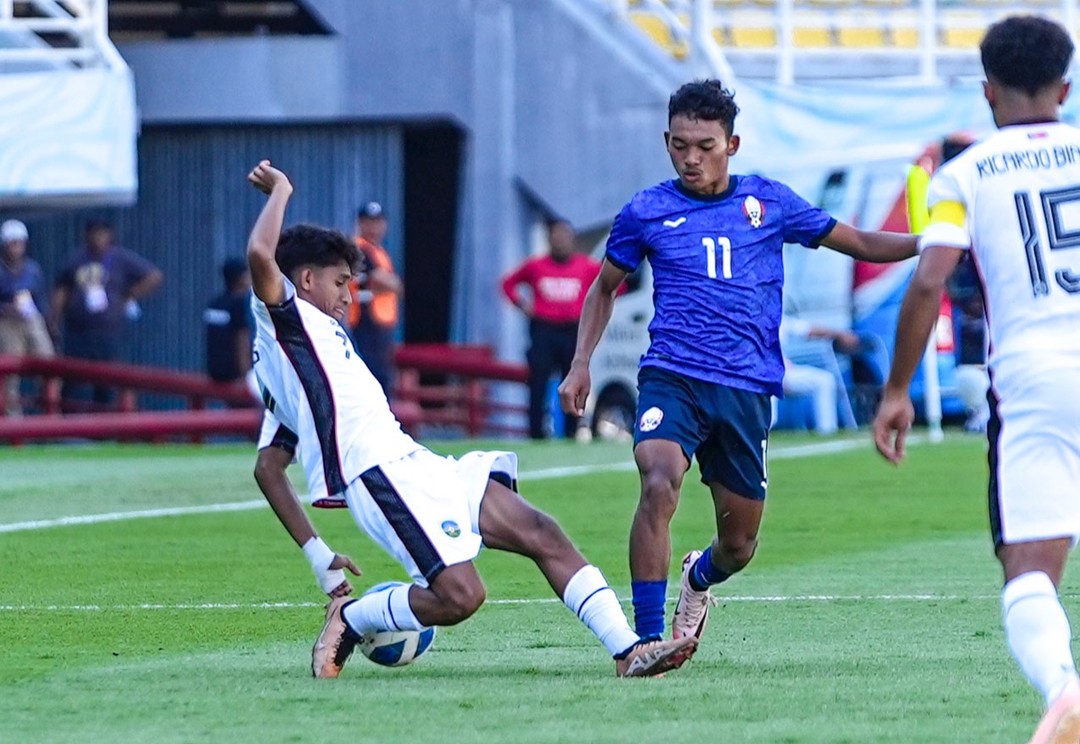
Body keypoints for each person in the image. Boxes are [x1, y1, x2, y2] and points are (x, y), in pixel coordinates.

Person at [243, 159, 697, 680]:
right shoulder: (285, 319)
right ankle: (353, 616)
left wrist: (319, 555)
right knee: (462, 596)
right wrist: (281, 190)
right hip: (377, 472)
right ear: (304, 279)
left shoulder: (302, 348)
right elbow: (261, 254)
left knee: (541, 530)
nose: (351, 295)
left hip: (415, 461)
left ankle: (628, 650)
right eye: (342, 282)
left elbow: (268, 467)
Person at [558, 79, 917, 647]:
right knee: (657, 480)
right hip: (672, 375)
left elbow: (863, 243)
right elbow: (604, 289)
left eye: (705, 146)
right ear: (666, 141)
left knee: (739, 546)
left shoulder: (769, 203)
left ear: (733, 143)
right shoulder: (646, 210)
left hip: (746, 387)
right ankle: (646, 643)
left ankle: (699, 579)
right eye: (679, 145)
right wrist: (581, 364)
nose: (691, 158)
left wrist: (931, 242)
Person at [872, 17, 1080, 744]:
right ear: (1066, 85)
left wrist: (897, 391)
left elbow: (930, 279)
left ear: (987, 91)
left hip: (1035, 378)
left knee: (1029, 571)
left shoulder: (965, 174)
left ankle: (1064, 690)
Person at [502, 219, 602, 439]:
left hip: (573, 330)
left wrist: (593, 310)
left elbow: (611, 286)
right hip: (543, 329)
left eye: (564, 236)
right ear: (549, 239)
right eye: (556, 236)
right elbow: (507, 284)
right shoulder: (536, 266)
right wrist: (523, 305)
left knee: (573, 380)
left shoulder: (586, 266)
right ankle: (536, 433)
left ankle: (571, 431)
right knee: (538, 382)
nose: (560, 241)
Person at [50, 220, 163, 408]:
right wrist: (53, 320)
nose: (98, 238)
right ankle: (67, 425)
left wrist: (129, 294)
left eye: (102, 234)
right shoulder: (75, 260)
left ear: (110, 235)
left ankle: (102, 427)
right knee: (72, 380)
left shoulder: (120, 258)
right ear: (86, 236)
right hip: (78, 331)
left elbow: (154, 276)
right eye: (94, 233)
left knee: (106, 381)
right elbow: (62, 290)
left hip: (108, 331)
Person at [0, 219, 55, 416]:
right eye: (12, 243)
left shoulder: (32, 269)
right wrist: (5, 308)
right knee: (10, 375)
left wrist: (49, 324)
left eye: (19, 243)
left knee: (49, 366)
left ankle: (51, 416)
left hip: (32, 319)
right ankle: (14, 424)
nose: (16, 247)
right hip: (7, 323)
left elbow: (40, 298)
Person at [349, 201, 402, 397]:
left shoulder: (378, 252)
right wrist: (395, 284)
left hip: (381, 325)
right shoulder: (359, 249)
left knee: (383, 379)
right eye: (368, 222)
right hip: (366, 323)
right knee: (372, 379)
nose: (374, 228)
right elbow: (384, 281)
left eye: (378, 222)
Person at [203, 257, 254, 386]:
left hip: (214, 373)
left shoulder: (214, 304)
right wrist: (246, 376)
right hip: (235, 376)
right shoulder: (239, 304)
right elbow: (241, 340)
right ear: (240, 279)